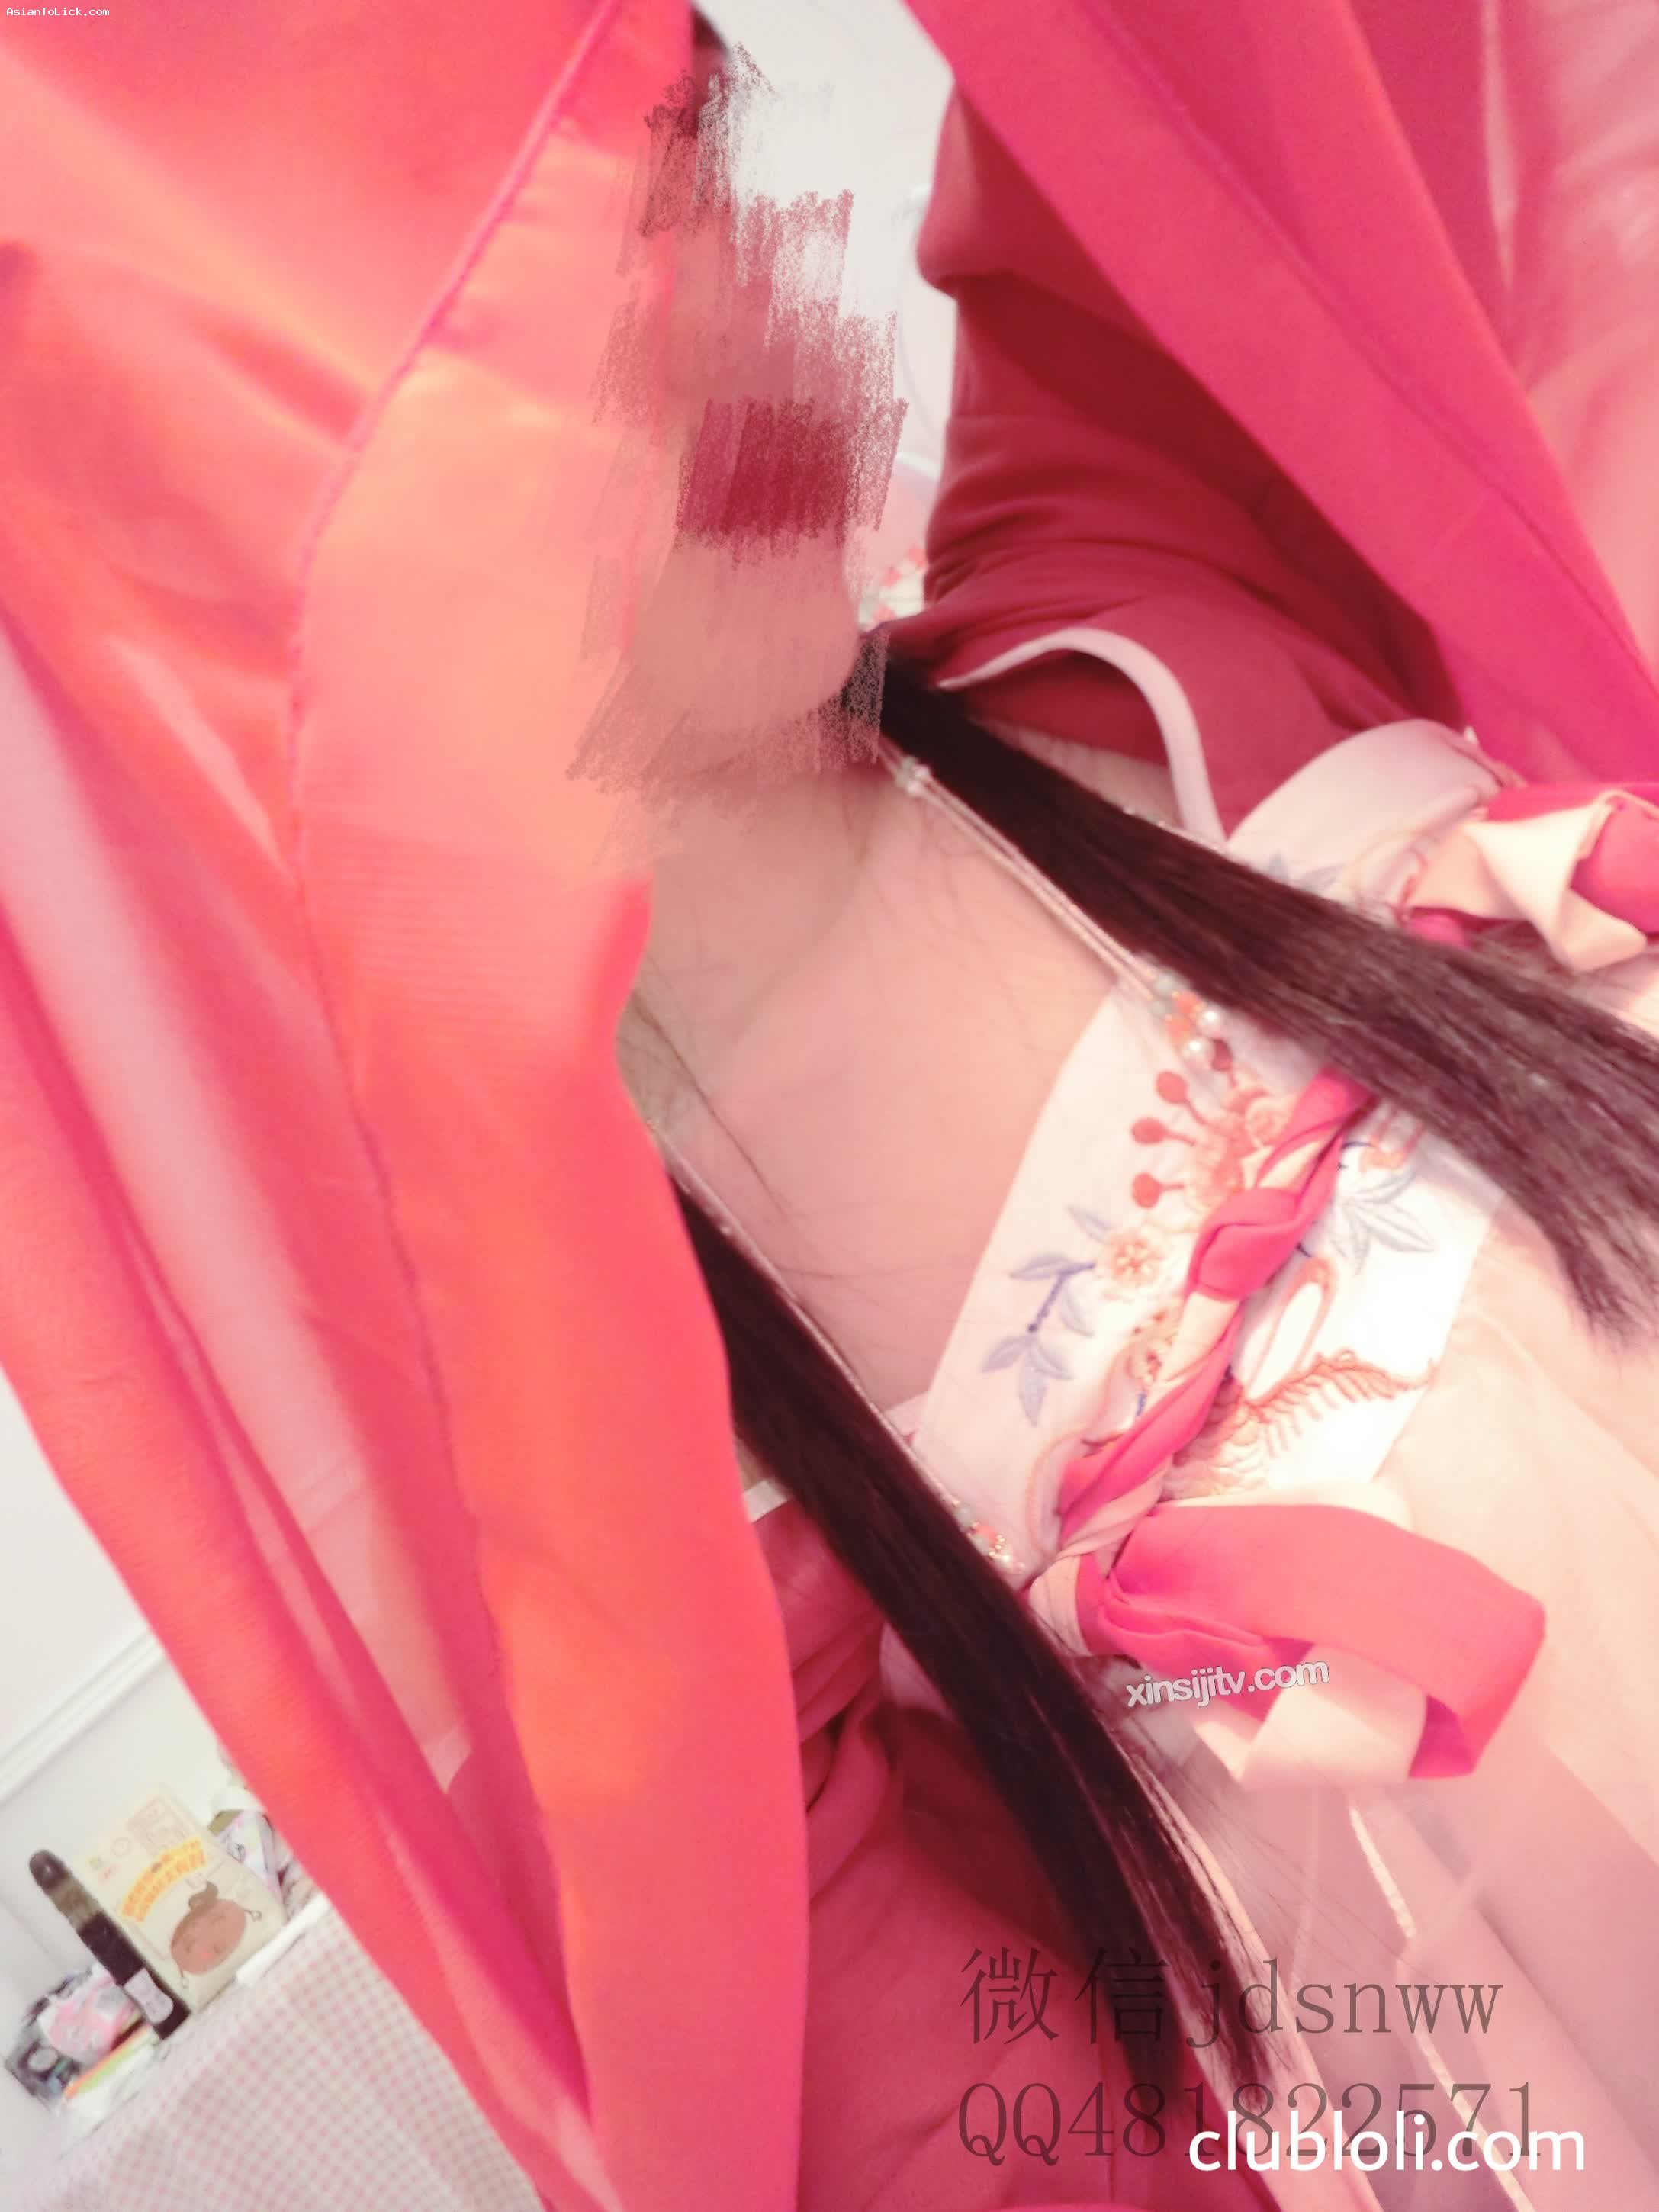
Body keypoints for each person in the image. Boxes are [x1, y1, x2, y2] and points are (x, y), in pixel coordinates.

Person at [8, 5, 1659, 2209]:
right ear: (283, 615)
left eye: (696, 170)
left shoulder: (1140, 587)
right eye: (533, 348)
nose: (727, 332)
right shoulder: (671, 1544)